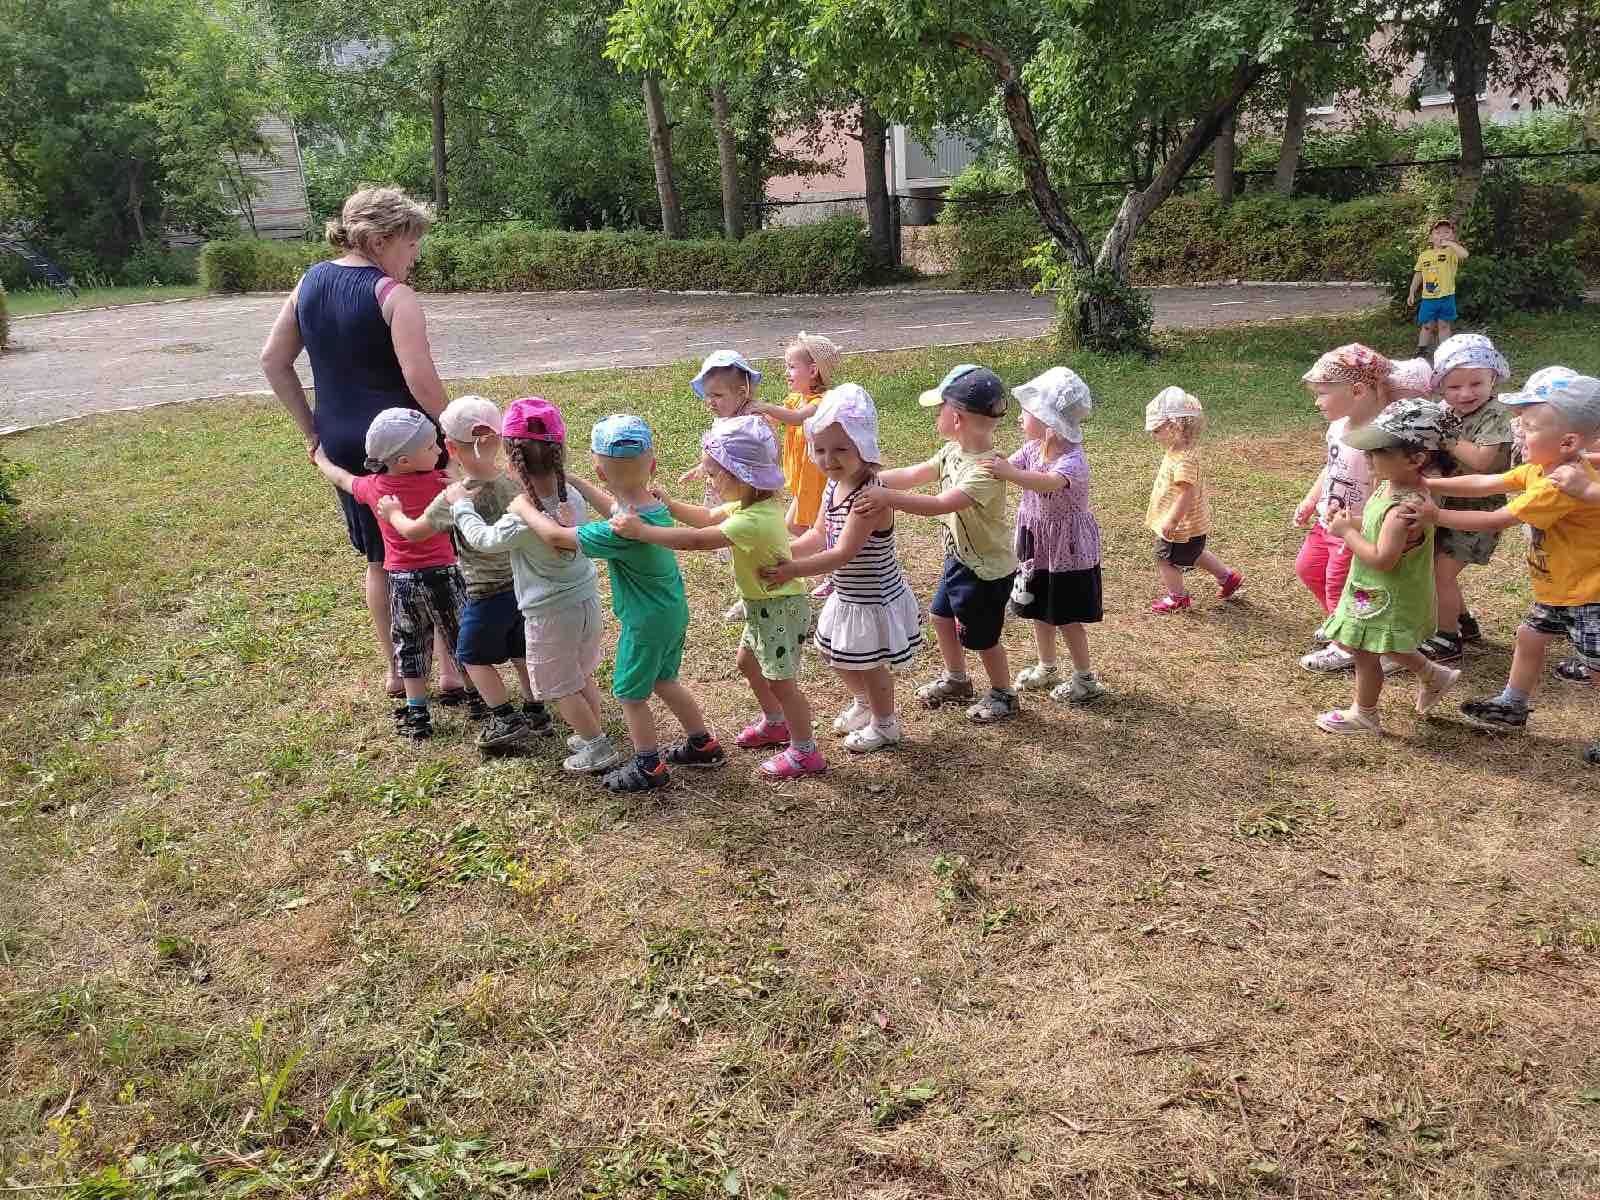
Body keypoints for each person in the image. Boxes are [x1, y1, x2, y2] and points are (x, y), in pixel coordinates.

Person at [260, 185, 467, 703]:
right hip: (409, 441)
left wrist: (311, 429)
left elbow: (273, 361)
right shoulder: (394, 295)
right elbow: (419, 379)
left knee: (381, 557)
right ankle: (450, 670)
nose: (414, 256)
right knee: (438, 551)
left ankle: (398, 671)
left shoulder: (308, 282)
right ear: (379, 241)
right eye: (411, 245)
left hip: (343, 441)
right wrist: (453, 427)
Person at [510, 414, 724, 792]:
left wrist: (522, 508)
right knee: (665, 680)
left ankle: (648, 767)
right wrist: (577, 482)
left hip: (644, 624)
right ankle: (702, 744)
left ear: (600, 471)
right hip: (671, 612)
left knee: (629, 694)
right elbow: (614, 505)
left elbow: (557, 537)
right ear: (652, 466)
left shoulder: (618, 532)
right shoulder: (653, 507)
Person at [1404, 369, 1600, 764]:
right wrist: (1430, 484)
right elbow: (1488, 483)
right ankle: (1513, 703)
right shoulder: (1542, 468)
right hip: (1559, 588)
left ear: (1567, 442)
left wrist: (1434, 515)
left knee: (1597, 670)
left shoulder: (1556, 486)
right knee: (1529, 637)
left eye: (1528, 428)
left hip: (1588, 595)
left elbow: (1496, 518)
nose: (1518, 433)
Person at [612, 415, 822, 778]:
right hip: (763, 608)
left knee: (782, 683)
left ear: (740, 475)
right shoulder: (749, 505)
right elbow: (707, 517)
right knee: (748, 663)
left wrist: (642, 532)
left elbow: (697, 540)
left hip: (779, 610)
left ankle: (805, 751)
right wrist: (671, 505)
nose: (708, 481)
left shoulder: (751, 520)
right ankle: (776, 723)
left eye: (712, 474)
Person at [437, 397, 623, 774]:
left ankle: (597, 746)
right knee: (581, 673)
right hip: (586, 601)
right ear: (560, 453)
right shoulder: (572, 495)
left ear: (511, 461)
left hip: (549, 613)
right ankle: (592, 731)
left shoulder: (522, 513)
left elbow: (484, 540)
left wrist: (460, 505)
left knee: (560, 686)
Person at [375, 395, 552, 751]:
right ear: (498, 440)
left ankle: (504, 716)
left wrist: (392, 512)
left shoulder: (454, 498)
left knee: (470, 657)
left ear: (450, 448)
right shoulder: (514, 483)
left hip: (484, 594)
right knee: (521, 651)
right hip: (523, 587)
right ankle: (536, 710)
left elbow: (414, 531)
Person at [760, 384, 924, 752]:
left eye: (840, 449)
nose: (828, 459)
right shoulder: (832, 486)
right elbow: (818, 535)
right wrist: (783, 551)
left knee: (870, 665)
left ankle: (885, 724)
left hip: (872, 597)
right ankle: (864, 703)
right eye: (819, 449)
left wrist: (791, 570)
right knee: (831, 651)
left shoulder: (869, 498)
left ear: (864, 447)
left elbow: (843, 553)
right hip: (848, 593)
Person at [859, 365, 1020, 724]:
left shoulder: (988, 469)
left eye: (939, 409)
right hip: (959, 558)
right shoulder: (951, 451)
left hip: (986, 570)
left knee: (983, 638)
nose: (936, 415)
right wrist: (867, 478)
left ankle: (1003, 693)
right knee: (940, 616)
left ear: (957, 417)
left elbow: (940, 504)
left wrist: (886, 497)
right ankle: (957, 679)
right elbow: (915, 474)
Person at [313, 408, 467, 740]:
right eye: (431, 447)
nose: (439, 451)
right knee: (461, 637)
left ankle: (417, 711)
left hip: (401, 582)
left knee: (409, 644)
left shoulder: (374, 487)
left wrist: (321, 458)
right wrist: (454, 462)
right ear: (405, 460)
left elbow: (342, 479)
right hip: (445, 575)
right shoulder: (440, 482)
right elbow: (457, 474)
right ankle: (477, 696)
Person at [1313, 401, 1461, 735]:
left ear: (1416, 458)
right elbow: (1375, 525)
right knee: (1384, 643)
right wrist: (1353, 522)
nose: (1368, 456)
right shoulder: (1391, 485)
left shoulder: (1402, 510)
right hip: (1376, 592)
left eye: (1378, 450)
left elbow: (1383, 558)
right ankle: (1434, 675)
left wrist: (1347, 533)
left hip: (1385, 594)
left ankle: (1364, 715)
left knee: (1366, 652)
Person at [1294, 345, 1429, 673]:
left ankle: (1346, 646)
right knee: (1308, 568)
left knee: (1340, 582)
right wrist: (1311, 500)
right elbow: (1330, 467)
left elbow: (1390, 485)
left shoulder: (1383, 437)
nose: (1317, 402)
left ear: (1357, 390)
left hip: (1358, 526)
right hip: (1329, 519)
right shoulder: (1337, 427)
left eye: (1322, 393)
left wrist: (1365, 523)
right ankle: (1343, 623)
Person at [983, 367, 1108, 702]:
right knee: (1038, 608)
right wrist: (990, 463)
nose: (1019, 417)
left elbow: (1048, 482)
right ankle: (1047, 665)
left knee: (1066, 617)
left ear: (1049, 422)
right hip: (1037, 544)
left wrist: (1008, 473)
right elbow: (1009, 465)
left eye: (1026, 412)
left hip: (1066, 551)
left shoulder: (1072, 461)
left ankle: (1085, 679)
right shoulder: (1033, 448)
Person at [1416, 334, 1513, 666]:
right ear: (1441, 387)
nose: (1465, 393)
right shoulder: (1445, 411)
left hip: (1478, 510)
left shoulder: (1495, 414)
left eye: (1476, 383)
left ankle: (1447, 639)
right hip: (1445, 504)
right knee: (1436, 568)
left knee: (1440, 573)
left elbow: (1483, 462)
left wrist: (1447, 437)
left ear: (1493, 379)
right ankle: (1463, 623)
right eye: (1454, 387)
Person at [752, 333, 843, 599]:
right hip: (803, 477)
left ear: (813, 371)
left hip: (817, 479)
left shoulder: (820, 402)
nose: (786, 372)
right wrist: (753, 415)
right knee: (795, 525)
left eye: (791, 366)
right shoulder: (795, 399)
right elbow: (777, 418)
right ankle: (832, 564)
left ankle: (834, 570)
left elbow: (794, 419)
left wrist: (763, 406)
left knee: (809, 527)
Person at [1143, 388, 1244, 614]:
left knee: (1164, 558)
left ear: (1175, 427)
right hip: (1192, 525)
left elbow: (1185, 494)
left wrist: (1172, 521)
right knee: (1194, 553)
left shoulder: (1184, 460)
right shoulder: (1180, 450)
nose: (1153, 435)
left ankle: (1177, 597)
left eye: (1157, 430)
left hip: (1181, 525)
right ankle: (1227, 577)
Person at [685, 349, 764, 622]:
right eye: (707, 395)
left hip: (743, 499)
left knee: (744, 548)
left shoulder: (751, 425)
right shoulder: (722, 419)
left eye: (717, 395)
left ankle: (753, 595)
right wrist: (702, 468)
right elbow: (716, 455)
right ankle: (746, 591)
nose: (710, 401)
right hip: (723, 494)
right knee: (733, 549)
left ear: (741, 393)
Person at [1408, 218, 1469, 353]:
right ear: (1430, 238)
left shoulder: (1451, 252)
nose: (1442, 235)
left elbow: (1465, 254)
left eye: (1446, 232)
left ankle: (1445, 352)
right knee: (1427, 325)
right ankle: (1421, 351)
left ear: (1452, 236)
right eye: (1438, 233)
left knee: (1444, 325)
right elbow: (1418, 274)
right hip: (1428, 298)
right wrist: (1411, 292)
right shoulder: (1424, 255)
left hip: (1447, 297)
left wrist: (1450, 243)